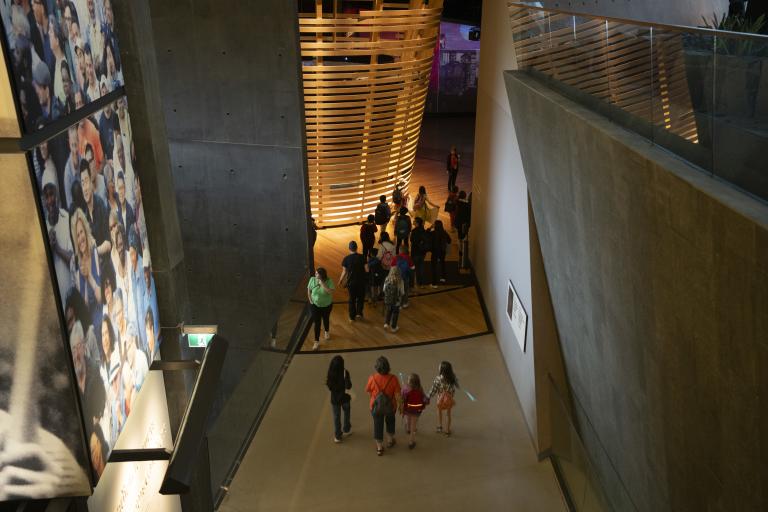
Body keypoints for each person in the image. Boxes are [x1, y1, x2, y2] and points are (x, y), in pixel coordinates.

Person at [41, 168, 73, 298]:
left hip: (71, 292)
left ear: (57, 194)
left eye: (52, 194)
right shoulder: (43, 227)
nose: (50, 200)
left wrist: (57, 249)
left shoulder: (67, 218)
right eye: (46, 196)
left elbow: (73, 259)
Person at [365, 356, 401, 456]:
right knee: (390, 421)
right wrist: (400, 406)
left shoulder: (372, 378)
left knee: (378, 424)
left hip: (375, 407)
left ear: (376, 367)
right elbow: (398, 395)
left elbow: (368, 391)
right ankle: (390, 440)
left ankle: (379, 447)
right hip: (390, 406)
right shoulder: (393, 378)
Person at [326, 355, 352, 443]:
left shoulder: (330, 373)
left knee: (336, 417)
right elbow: (349, 386)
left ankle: (338, 436)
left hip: (335, 399)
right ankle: (346, 428)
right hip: (345, 398)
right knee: (347, 413)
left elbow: (329, 386)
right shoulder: (345, 372)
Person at [428, 361, 459, 436]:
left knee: (439, 411)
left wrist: (428, 396)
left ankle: (440, 426)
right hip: (449, 399)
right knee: (448, 414)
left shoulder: (438, 379)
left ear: (441, 370)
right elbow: (454, 387)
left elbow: (434, 389)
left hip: (440, 399)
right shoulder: (453, 378)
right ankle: (447, 430)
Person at [307, 267, 334, 350]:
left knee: (326, 319)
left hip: (327, 305)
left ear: (322, 275)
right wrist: (311, 300)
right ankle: (316, 341)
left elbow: (330, 292)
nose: (315, 275)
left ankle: (326, 331)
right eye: (315, 273)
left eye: (317, 274)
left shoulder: (329, 281)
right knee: (317, 323)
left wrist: (322, 283)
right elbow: (309, 290)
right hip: (315, 305)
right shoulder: (312, 279)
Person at [339, 241, 366, 322]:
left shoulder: (346, 259)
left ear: (349, 248)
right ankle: (359, 313)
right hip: (361, 282)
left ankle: (352, 317)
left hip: (351, 283)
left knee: (352, 299)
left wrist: (340, 280)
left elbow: (344, 271)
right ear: (356, 248)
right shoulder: (362, 257)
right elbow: (367, 269)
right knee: (361, 298)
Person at [401, 373, 428, 449]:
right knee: (414, 425)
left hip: (408, 409)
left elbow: (402, 398)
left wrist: (403, 389)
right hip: (417, 410)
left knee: (408, 418)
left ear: (409, 382)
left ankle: (408, 429)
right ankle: (411, 441)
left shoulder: (406, 389)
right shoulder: (420, 389)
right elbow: (424, 398)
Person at [429, 220, 451, 288]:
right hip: (442, 251)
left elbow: (427, 236)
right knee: (442, 263)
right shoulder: (444, 232)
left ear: (435, 226)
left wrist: (430, 228)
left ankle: (434, 283)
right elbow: (449, 241)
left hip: (435, 251)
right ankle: (443, 278)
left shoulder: (433, 233)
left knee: (434, 266)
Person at [382, 266, 404, 333]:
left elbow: (384, 289)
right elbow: (402, 292)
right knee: (395, 313)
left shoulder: (387, 279)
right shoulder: (400, 280)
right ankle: (393, 327)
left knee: (388, 311)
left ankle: (386, 323)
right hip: (396, 301)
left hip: (388, 299)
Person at [409, 216, 429, 289]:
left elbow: (411, 240)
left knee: (414, 268)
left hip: (415, 252)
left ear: (417, 223)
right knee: (421, 267)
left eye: (414, 221)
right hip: (422, 252)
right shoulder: (423, 230)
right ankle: (421, 283)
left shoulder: (414, 231)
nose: (413, 222)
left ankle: (414, 283)